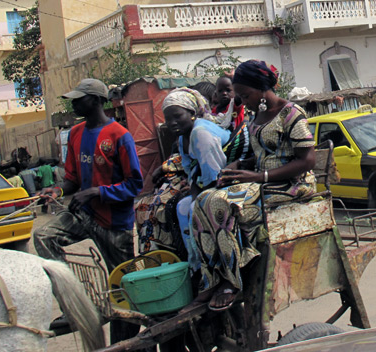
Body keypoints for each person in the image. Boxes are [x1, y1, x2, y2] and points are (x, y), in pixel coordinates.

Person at [189, 60, 316, 312]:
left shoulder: (291, 114)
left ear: (260, 88)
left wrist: (261, 177)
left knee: (221, 204)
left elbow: (307, 160)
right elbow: (261, 153)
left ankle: (231, 281)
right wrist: (238, 165)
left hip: (291, 185)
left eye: (245, 95)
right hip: (263, 181)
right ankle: (211, 279)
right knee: (201, 202)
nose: (242, 101)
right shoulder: (256, 115)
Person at [35, 78, 143, 342]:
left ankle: (124, 343)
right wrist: (56, 191)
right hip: (84, 215)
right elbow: (71, 179)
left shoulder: (119, 135)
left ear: (95, 101)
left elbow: (135, 184)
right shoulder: (76, 133)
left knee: (124, 288)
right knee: (43, 237)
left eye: (79, 99)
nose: (73, 103)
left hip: (115, 223)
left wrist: (97, 192)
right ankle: (74, 306)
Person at [162, 88, 230, 274]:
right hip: (204, 184)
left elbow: (214, 175)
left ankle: (216, 266)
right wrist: (192, 192)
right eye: (168, 119)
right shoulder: (183, 136)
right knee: (181, 207)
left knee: (193, 209)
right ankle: (197, 266)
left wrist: (195, 196)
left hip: (224, 182)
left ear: (192, 113)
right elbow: (191, 172)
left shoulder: (201, 133)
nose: (172, 123)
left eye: (177, 116)